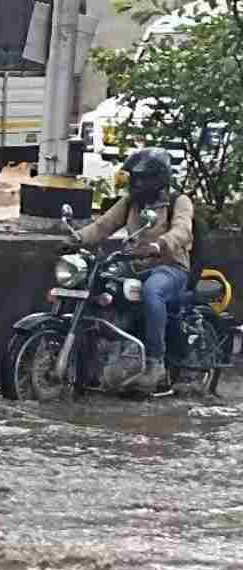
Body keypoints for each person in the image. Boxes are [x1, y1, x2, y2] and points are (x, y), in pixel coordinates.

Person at [72, 147, 193, 393]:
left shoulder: (178, 201)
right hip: (133, 266)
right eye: (134, 178)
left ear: (158, 178)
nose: (136, 183)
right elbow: (103, 225)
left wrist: (158, 244)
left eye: (142, 178)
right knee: (99, 285)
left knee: (152, 292)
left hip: (170, 267)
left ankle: (155, 364)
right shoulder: (130, 203)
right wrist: (75, 240)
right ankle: (97, 359)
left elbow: (183, 230)